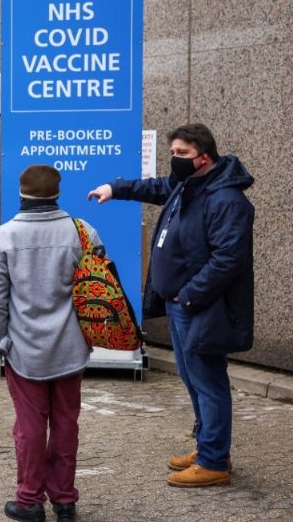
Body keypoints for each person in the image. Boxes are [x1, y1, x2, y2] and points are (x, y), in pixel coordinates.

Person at [88, 123, 254, 487]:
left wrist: (190, 294)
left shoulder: (227, 200)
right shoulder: (188, 185)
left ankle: (214, 462)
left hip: (201, 306)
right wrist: (115, 188)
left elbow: (228, 259)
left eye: (182, 154)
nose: (174, 161)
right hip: (181, 305)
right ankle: (208, 445)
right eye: (173, 152)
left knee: (209, 382)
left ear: (204, 158)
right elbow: (155, 186)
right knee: (193, 379)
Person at [0, 165, 97, 522]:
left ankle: (29, 501)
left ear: (21, 193)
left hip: (25, 350)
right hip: (71, 348)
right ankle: (65, 501)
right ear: (57, 193)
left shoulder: (2, 238)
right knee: (66, 423)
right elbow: (96, 288)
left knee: (30, 426)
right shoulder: (83, 233)